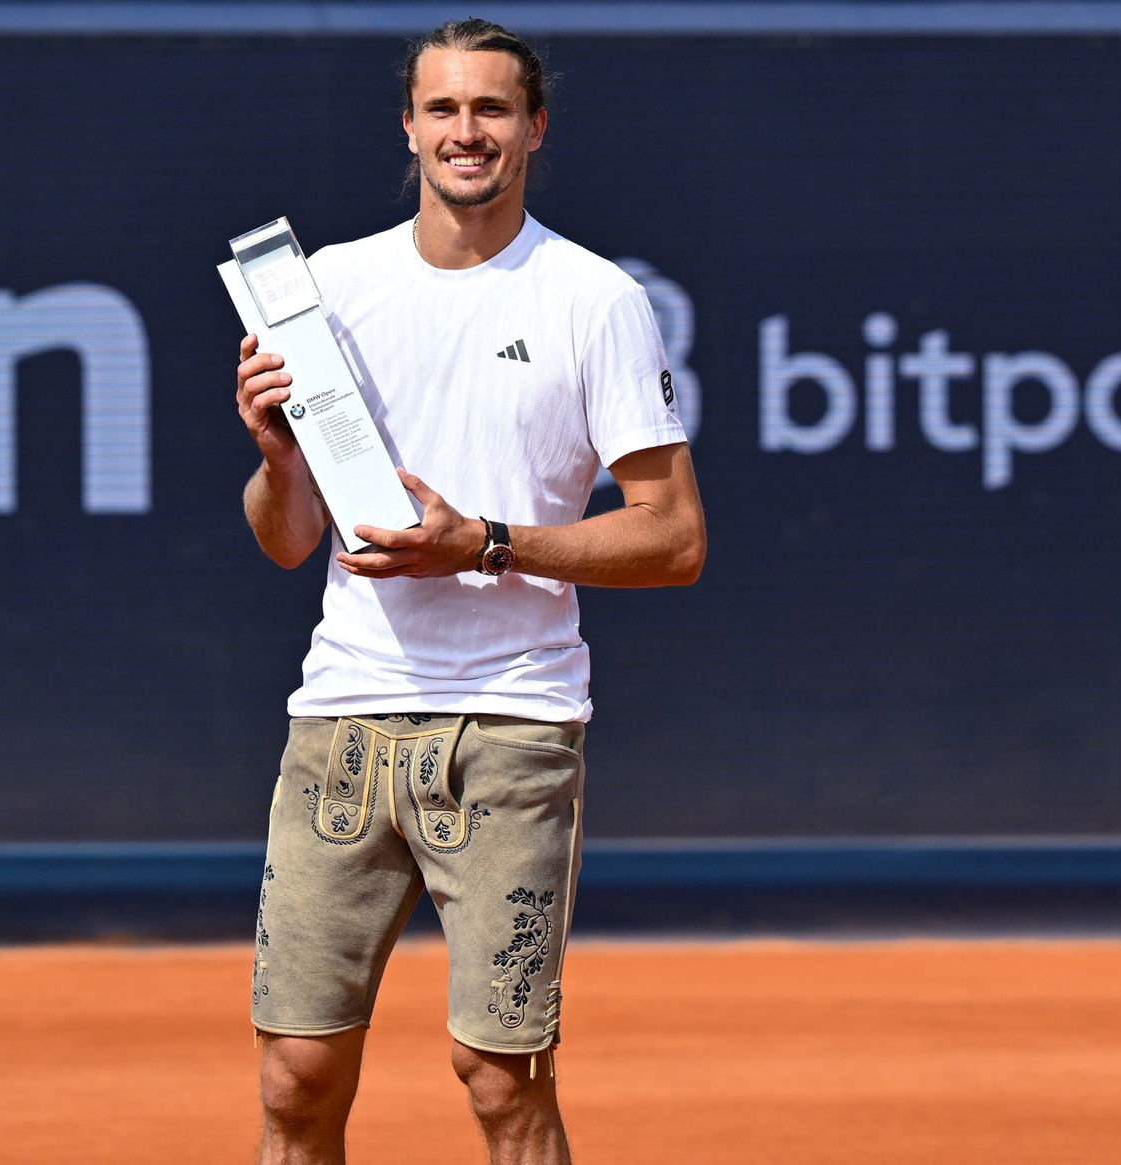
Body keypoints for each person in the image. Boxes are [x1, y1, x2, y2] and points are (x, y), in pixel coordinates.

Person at [233, 18, 706, 1164]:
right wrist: (279, 459)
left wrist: (483, 543)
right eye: (442, 108)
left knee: (501, 1082)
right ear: (408, 127)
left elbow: (674, 537)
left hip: (512, 725)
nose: (466, 131)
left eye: (491, 108)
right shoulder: (325, 289)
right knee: (295, 1079)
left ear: (534, 128)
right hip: (342, 720)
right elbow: (288, 542)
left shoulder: (593, 298)